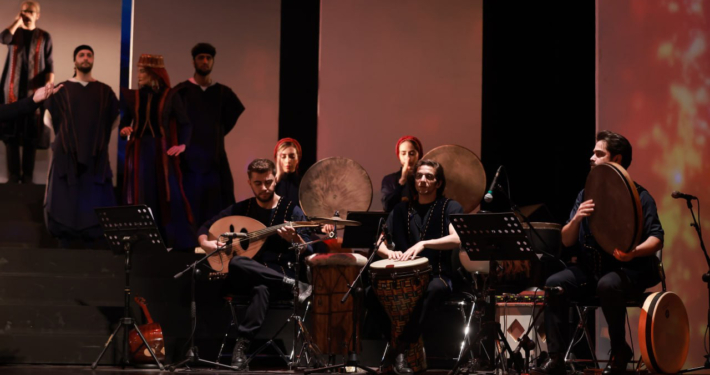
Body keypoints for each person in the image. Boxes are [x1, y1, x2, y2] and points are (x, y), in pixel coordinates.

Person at [531, 131, 664, 375]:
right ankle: (556, 357)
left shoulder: (641, 196)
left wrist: (633, 252)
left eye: (598, 153)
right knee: (554, 284)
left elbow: (657, 239)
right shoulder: (585, 193)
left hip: (628, 270)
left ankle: (618, 350)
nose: (591, 158)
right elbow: (566, 239)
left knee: (607, 285)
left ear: (617, 159)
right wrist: (577, 219)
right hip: (590, 270)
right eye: (593, 153)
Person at [197, 158, 313, 370]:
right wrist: (206, 244)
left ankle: (241, 346)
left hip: (276, 276)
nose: (264, 187)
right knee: (239, 262)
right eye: (258, 183)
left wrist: (294, 239)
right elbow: (205, 227)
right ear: (249, 182)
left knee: (262, 287)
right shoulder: (242, 209)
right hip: (247, 277)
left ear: (275, 178)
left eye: (268, 182)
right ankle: (293, 284)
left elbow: (307, 249)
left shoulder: (291, 210)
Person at [376, 159, 464, 374]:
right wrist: (390, 253)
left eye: (429, 177)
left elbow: (458, 238)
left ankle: (399, 349)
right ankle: (397, 347)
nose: (423, 180)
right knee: (371, 292)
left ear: (438, 182)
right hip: (404, 276)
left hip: (438, 275)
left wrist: (424, 243)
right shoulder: (400, 209)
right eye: (419, 176)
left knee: (432, 290)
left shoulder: (449, 206)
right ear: (414, 181)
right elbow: (379, 242)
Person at [43, 45, 119, 247]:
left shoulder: (105, 91)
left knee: (94, 200)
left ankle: (93, 236)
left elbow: (113, 121)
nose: (85, 58)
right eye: (81, 55)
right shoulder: (61, 89)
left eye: (89, 55)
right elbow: (49, 119)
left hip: (95, 158)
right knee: (65, 201)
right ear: (74, 60)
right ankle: (65, 235)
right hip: (66, 156)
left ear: (93, 60)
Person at [119, 54, 194, 249]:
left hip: (161, 153)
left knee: (164, 194)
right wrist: (124, 129)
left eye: (142, 71)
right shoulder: (134, 96)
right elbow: (125, 121)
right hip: (138, 151)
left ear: (154, 73)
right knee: (139, 193)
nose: (139, 74)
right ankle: (141, 241)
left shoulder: (170, 95)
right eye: (139, 70)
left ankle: (166, 240)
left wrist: (182, 145)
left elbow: (185, 123)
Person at [173, 43, 244, 227]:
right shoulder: (181, 92)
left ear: (212, 61)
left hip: (215, 161)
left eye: (208, 58)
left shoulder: (223, 93)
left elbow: (227, 122)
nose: (205, 61)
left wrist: (214, 134)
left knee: (218, 211)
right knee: (188, 212)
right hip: (188, 162)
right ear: (193, 61)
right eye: (201, 58)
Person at [1, 1, 54, 184]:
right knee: (11, 135)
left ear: (37, 15)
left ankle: (28, 177)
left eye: (30, 11)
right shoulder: (14, 33)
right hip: (12, 90)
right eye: (23, 11)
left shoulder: (44, 36)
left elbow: (49, 65)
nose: (26, 14)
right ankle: (14, 176)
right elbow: (3, 38)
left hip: (35, 91)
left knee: (31, 134)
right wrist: (17, 22)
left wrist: (49, 87)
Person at [381, 136, 423, 212]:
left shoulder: (426, 179)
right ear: (399, 156)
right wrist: (402, 181)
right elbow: (387, 206)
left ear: (418, 155)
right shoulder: (389, 179)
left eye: (412, 153)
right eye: (403, 154)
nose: (408, 158)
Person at [274, 137, 302, 204]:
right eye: (283, 157)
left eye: (292, 157)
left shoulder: (303, 184)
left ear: (298, 158)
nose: (288, 161)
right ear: (277, 159)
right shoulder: (272, 184)